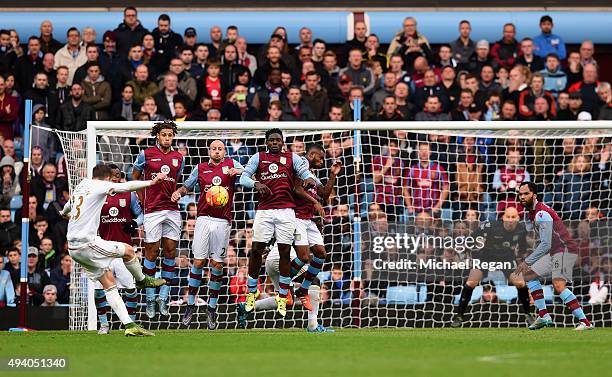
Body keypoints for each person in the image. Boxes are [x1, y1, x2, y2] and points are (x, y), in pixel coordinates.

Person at [62, 163, 166, 335]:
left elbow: (69, 204)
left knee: (109, 283)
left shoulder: (82, 185)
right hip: (87, 243)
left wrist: (63, 212)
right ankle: (141, 279)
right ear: (107, 178)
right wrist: (151, 182)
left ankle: (129, 326)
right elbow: (127, 186)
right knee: (128, 250)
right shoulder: (100, 185)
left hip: (74, 248)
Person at [239, 128, 317, 317]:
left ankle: (282, 295)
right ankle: (251, 291)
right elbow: (243, 177)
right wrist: (256, 184)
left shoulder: (292, 158)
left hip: (286, 212)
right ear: (266, 142)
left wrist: (308, 179)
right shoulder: (258, 157)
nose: (275, 143)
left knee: (284, 252)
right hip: (265, 210)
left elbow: (307, 174)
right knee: (256, 249)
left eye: (278, 140)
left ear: (282, 142)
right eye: (271, 140)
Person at [171, 140, 243, 329]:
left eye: (220, 149)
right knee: (198, 261)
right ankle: (191, 303)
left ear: (224, 151)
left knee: (217, 264)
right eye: (214, 149)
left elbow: (248, 178)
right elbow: (187, 185)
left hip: (222, 222)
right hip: (203, 219)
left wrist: (240, 172)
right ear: (209, 151)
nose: (217, 151)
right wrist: (179, 192)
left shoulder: (232, 165)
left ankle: (211, 308)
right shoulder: (200, 167)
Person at [515, 182, 593, 330]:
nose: (522, 197)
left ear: (534, 195)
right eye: (520, 194)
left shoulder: (541, 213)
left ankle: (585, 322)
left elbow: (545, 244)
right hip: (555, 250)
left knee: (558, 285)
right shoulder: (534, 212)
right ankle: (543, 315)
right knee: (530, 275)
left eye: (526, 194)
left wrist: (527, 261)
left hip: (564, 249)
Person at [132, 121, 184, 319]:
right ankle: (150, 298)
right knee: (152, 253)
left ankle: (164, 296)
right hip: (152, 210)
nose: (167, 138)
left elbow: (176, 180)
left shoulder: (179, 158)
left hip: (171, 210)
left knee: (171, 251)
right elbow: (135, 176)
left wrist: (175, 194)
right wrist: (141, 198)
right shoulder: (146, 154)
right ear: (158, 136)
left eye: (170, 135)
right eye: (164, 135)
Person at [451, 207, 534, 327]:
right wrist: (473, 252)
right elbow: (472, 238)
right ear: (503, 217)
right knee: (471, 282)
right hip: (486, 257)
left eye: (513, 217)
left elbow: (522, 250)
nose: (510, 220)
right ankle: (459, 316)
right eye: (508, 217)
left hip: (507, 258)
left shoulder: (521, 229)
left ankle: (528, 315)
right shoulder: (491, 226)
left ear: (518, 218)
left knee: (521, 283)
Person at [94, 165, 143, 334]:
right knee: (99, 291)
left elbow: (141, 214)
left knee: (130, 289)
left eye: (118, 175)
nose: (115, 178)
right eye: (112, 176)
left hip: (124, 250)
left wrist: (136, 223)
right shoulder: (98, 195)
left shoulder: (129, 195)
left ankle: (130, 324)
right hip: (103, 250)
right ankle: (104, 325)